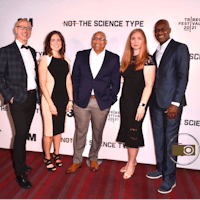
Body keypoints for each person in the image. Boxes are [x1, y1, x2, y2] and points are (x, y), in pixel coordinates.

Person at [146, 20, 190, 194]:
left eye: (163, 29)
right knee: (159, 138)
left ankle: (170, 178)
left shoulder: (180, 48)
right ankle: (162, 169)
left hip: (172, 105)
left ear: (169, 30)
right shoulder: (156, 51)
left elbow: (183, 76)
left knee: (172, 141)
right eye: (156, 30)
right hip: (155, 103)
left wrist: (176, 103)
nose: (159, 32)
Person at [67, 31, 121, 173]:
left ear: (105, 42)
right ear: (91, 40)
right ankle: (77, 161)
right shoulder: (81, 55)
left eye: (101, 39)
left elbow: (116, 82)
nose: (97, 41)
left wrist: (111, 99)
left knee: (97, 133)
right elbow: (75, 78)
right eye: (95, 38)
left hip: (101, 102)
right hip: (82, 102)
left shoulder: (113, 58)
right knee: (80, 132)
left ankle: (94, 158)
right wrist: (75, 97)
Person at [0, 19, 40, 189]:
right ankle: (20, 173)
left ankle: (21, 164)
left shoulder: (31, 51)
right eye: (22, 27)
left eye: (28, 28)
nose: (25, 30)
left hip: (31, 98)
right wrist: (8, 96)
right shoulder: (5, 51)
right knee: (21, 134)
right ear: (15, 29)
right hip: (16, 99)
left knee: (23, 134)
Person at [116, 29, 156, 179]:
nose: (135, 41)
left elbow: (149, 85)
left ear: (144, 41)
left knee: (134, 132)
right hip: (125, 101)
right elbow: (125, 80)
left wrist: (142, 105)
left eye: (139, 38)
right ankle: (131, 161)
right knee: (127, 131)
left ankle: (131, 163)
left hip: (138, 103)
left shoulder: (147, 59)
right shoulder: (127, 58)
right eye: (133, 38)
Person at [38, 31, 73, 172]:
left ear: (62, 43)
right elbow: (42, 84)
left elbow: (68, 82)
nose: (56, 42)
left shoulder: (67, 61)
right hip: (48, 100)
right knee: (48, 131)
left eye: (59, 40)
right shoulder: (45, 60)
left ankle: (56, 153)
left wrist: (71, 99)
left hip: (63, 99)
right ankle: (47, 157)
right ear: (48, 43)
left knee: (58, 130)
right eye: (53, 40)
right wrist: (51, 104)